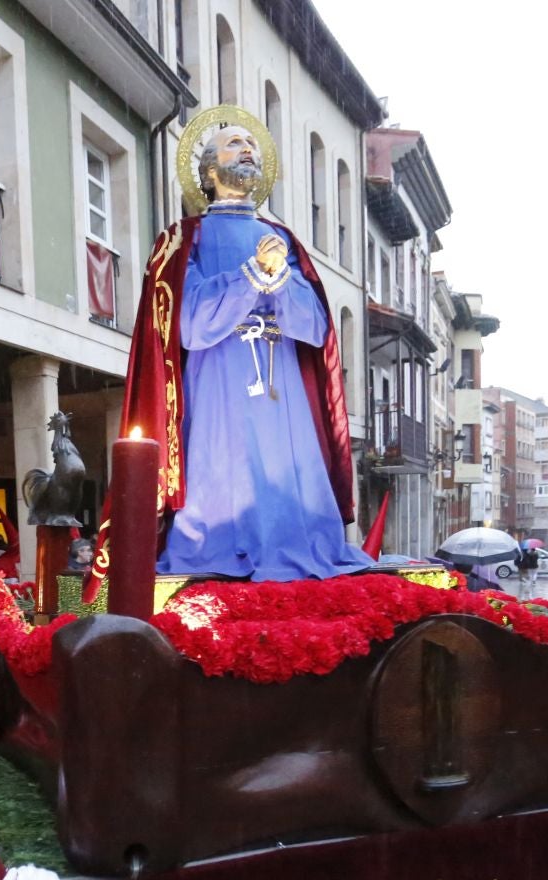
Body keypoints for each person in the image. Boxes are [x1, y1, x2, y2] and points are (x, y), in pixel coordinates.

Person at [85, 110, 369, 595]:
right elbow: (189, 323)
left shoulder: (284, 242)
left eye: (252, 145)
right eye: (234, 144)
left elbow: (315, 326)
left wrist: (280, 279)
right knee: (222, 473)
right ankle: (216, 543)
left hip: (282, 390)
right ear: (210, 171)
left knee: (290, 479)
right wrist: (250, 277)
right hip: (218, 384)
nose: (248, 150)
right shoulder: (183, 240)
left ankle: (300, 540)